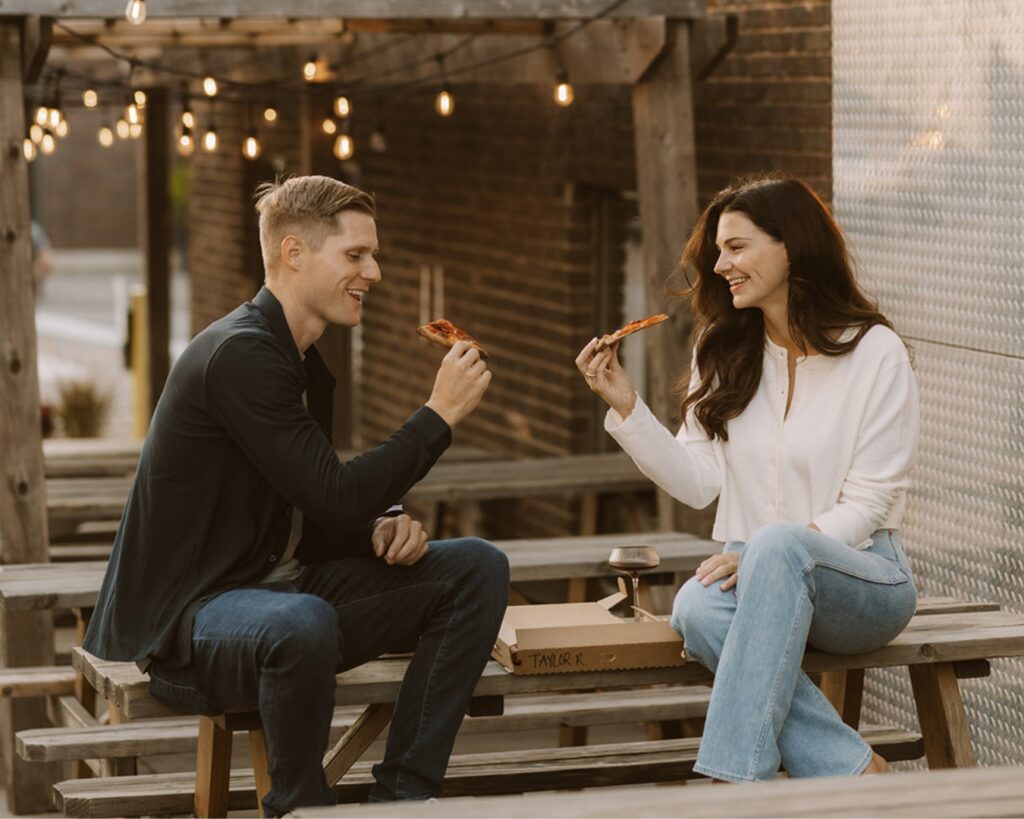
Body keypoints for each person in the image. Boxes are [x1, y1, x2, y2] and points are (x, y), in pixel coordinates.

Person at [83, 175, 510, 814]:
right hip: (191, 620)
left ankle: (405, 796)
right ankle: (302, 807)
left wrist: (379, 524)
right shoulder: (240, 355)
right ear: (293, 253)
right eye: (356, 255)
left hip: (279, 593)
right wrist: (438, 415)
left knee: (477, 568)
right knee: (301, 623)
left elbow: (314, 503)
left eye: (374, 254)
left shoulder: (304, 363)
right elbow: (335, 494)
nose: (376, 272)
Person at [576, 173, 919, 782]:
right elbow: (700, 481)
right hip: (753, 569)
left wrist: (769, 549)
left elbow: (869, 503)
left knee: (778, 545)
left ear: (791, 246)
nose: (721, 264)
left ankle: (729, 784)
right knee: (697, 608)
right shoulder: (722, 345)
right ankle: (855, 770)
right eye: (717, 251)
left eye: (736, 246)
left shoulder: (874, 352)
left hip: (862, 577)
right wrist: (628, 408)